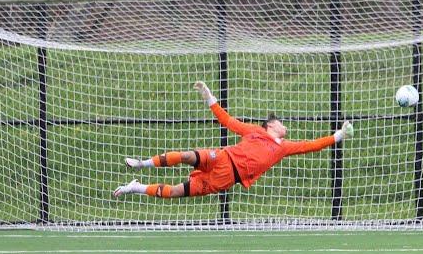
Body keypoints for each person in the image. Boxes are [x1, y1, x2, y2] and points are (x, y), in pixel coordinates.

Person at [113, 81, 353, 199]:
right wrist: (209, 97)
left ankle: (135, 187)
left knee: (176, 191)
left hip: (227, 178)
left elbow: (311, 146)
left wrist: (339, 135)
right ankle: (142, 163)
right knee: (188, 156)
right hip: (222, 157)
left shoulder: (284, 148)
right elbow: (228, 121)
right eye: (280, 122)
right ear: (270, 126)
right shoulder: (253, 131)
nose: (284, 125)